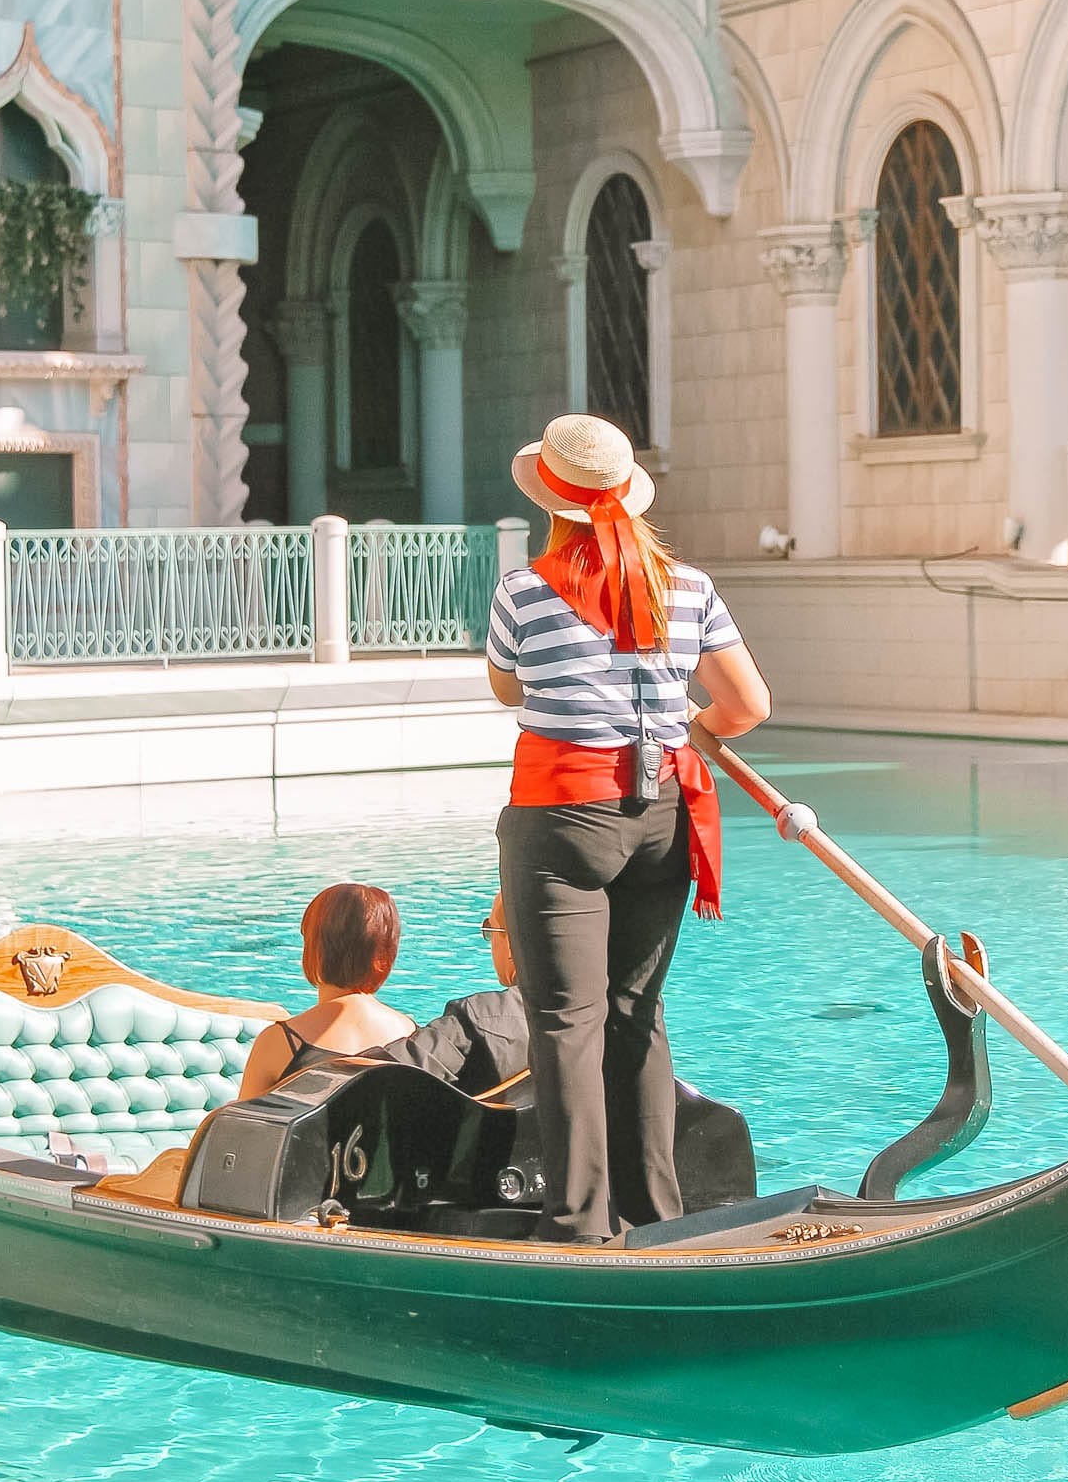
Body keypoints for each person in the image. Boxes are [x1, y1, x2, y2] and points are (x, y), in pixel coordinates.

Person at [485, 412, 771, 1245]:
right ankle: (656, 1219)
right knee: (636, 1013)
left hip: (563, 820)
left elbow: (510, 692)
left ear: (550, 500)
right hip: (663, 818)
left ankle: (577, 1228)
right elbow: (748, 706)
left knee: (566, 1022)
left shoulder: (523, 592)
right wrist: (693, 720)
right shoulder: (688, 589)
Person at [236, 883, 415, 1101]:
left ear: (315, 949)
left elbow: (243, 1129)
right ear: (386, 954)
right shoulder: (412, 1035)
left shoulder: (281, 1042)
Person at [382, 891, 532, 1097]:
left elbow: (378, 1079)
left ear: (511, 943)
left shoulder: (477, 1022)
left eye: (490, 929)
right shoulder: (587, 1016)